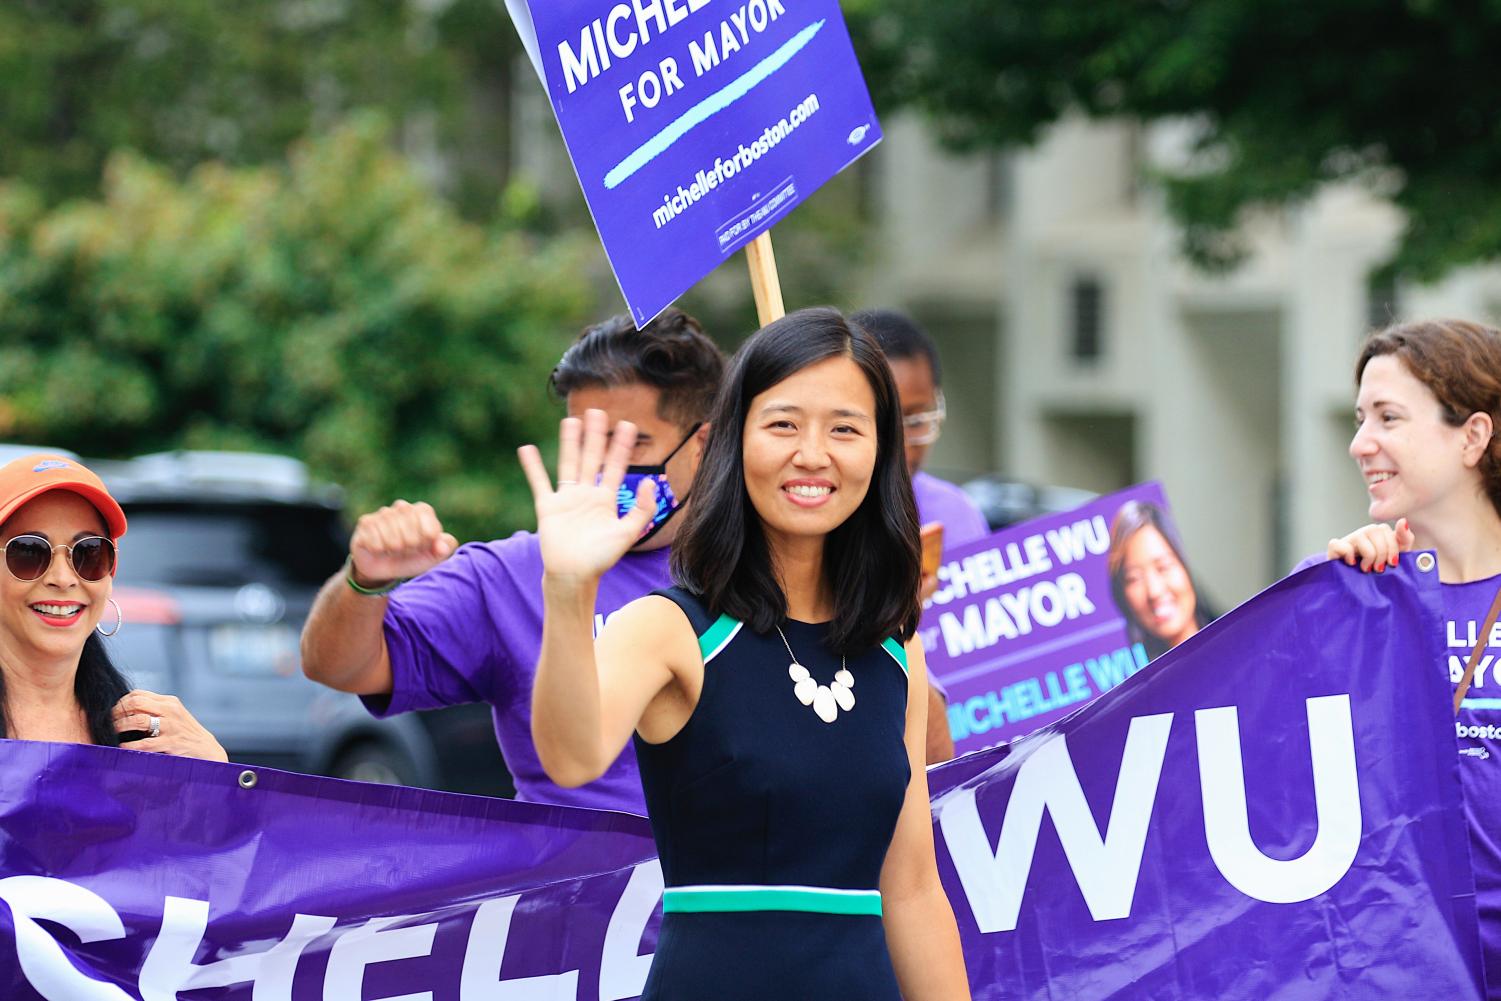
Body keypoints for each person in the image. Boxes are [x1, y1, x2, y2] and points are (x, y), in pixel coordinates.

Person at [521, 308, 970, 1000]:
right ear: (734, 440)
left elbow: (910, 889)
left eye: (844, 428)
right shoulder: (671, 626)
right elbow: (571, 754)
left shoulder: (894, 648)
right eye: (783, 423)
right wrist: (568, 592)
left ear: (879, 452)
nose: (813, 454)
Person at [299, 309, 723, 811]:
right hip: (574, 886)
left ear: (703, 445)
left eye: (628, 445)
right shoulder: (509, 576)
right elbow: (340, 666)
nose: (603, 468)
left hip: (732, 885)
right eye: (584, 442)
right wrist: (364, 579)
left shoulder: (772, 568)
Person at [1317, 318, 1501, 996]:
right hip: (1402, 975)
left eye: (1388, 417)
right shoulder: (1348, 597)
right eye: (1361, 417)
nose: (1359, 443)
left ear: (1472, 436)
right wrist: (1342, 601)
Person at [0, 453, 224, 759]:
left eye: (89, 553)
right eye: (29, 551)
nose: (63, 578)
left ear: (110, 573)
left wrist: (213, 776)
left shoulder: (148, 737)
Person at [853, 308, 990, 762]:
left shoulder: (958, 515)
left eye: (916, 421)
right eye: (882, 421)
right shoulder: (812, 522)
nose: (901, 445)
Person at [1107, 500, 1208, 659]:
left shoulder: (1241, 648)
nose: (1154, 591)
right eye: (1134, 578)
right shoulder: (1131, 679)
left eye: (1164, 567)